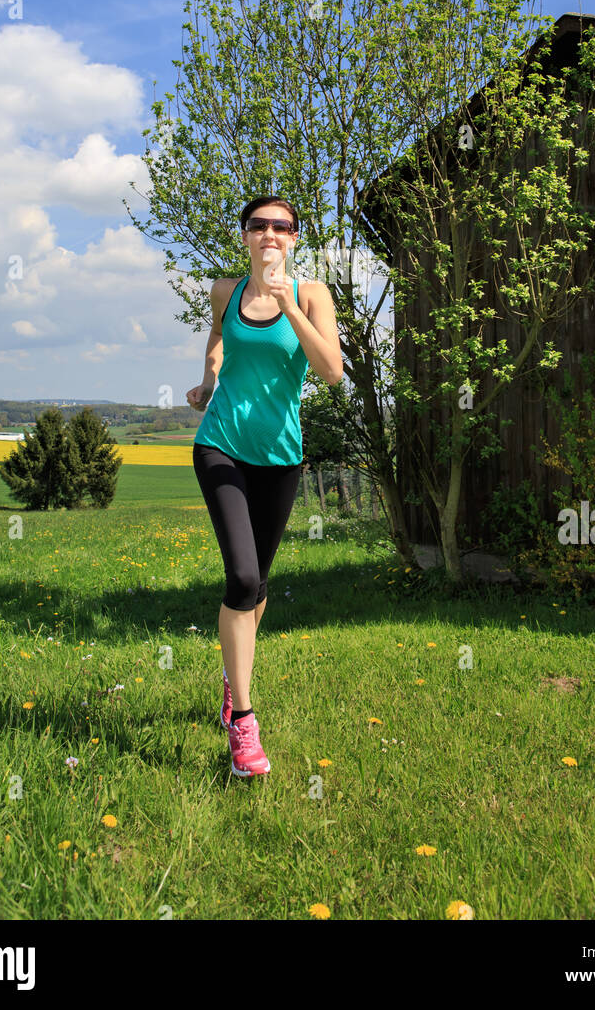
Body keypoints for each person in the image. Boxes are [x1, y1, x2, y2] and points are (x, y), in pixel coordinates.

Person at [186, 197, 344, 778]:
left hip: (281, 457)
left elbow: (330, 370)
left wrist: (287, 305)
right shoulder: (224, 291)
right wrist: (207, 382)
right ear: (246, 236)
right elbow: (217, 343)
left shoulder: (312, 295)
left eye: (282, 227)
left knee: (260, 589)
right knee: (243, 579)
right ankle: (244, 725)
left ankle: (233, 678)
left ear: (294, 239)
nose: (270, 234)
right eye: (260, 226)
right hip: (220, 444)